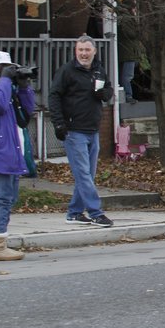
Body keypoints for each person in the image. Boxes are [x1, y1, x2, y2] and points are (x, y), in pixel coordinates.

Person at [48, 35, 114, 228]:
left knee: (87, 175)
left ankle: (74, 212)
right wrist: (59, 124)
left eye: (87, 50)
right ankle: (96, 213)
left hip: (93, 130)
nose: (84, 54)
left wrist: (106, 94)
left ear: (94, 51)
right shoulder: (67, 71)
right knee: (83, 174)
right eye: (80, 50)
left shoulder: (98, 70)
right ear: (76, 52)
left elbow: (108, 88)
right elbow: (54, 96)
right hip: (73, 131)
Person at [0, 51, 36, 260]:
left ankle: (0, 241)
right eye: (7, 67)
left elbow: (26, 113)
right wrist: (5, 80)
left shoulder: (2, 87)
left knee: (9, 197)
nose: (10, 71)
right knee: (0, 197)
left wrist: (23, 87)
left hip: (10, 147)